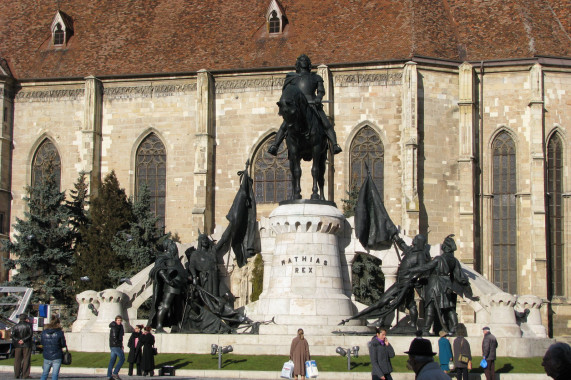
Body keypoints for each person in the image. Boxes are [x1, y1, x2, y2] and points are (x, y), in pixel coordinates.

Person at [268, 54, 342, 156]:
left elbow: (321, 91)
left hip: (313, 105)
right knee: (285, 125)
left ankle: (334, 145)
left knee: (326, 124)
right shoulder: (291, 77)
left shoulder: (316, 77)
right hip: (297, 107)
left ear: (309, 64)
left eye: (306, 60)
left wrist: (318, 99)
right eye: (302, 60)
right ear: (298, 64)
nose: (304, 61)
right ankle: (275, 146)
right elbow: (287, 92)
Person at [410, 235, 472, 335]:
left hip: (435, 284)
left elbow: (425, 267)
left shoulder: (439, 259)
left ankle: (426, 329)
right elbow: (459, 276)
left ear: (445, 248)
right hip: (446, 285)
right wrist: (466, 285)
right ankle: (454, 328)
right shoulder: (454, 261)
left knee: (430, 306)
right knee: (449, 307)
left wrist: (411, 270)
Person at [148, 239, 188, 333]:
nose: (174, 245)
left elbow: (181, 271)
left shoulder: (176, 259)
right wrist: (167, 280)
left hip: (179, 286)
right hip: (170, 285)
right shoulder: (163, 256)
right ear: (167, 246)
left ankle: (176, 327)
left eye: (173, 243)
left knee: (179, 307)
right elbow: (158, 268)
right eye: (171, 244)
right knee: (165, 305)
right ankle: (159, 327)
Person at [40, 316, 66, 380]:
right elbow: (63, 344)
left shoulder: (44, 332)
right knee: (55, 374)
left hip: (47, 354)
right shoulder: (59, 332)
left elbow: (42, 343)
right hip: (57, 355)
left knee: (44, 373)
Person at [12, 314, 33, 379]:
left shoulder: (16, 326)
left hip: (18, 345)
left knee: (17, 360)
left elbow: (13, 335)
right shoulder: (29, 325)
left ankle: (17, 374)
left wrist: (18, 340)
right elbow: (30, 334)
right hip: (26, 344)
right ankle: (25, 374)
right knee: (26, 359)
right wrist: (23, 340)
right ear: (26, 318)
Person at [107, 315, 125, 380]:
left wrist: (121, 344)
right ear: (115, 320)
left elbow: (120, 337)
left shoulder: (119, 327)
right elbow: (115, 337)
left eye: (120, 320)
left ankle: (109, 375)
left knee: (112, 360)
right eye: (118, 320)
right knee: (122, 358)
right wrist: (120, 345)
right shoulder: (115, 327)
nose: (119, 322)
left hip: (113, 345)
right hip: (115, 345)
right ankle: (115, 373)